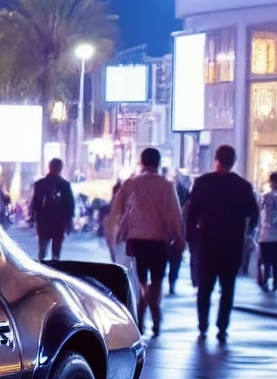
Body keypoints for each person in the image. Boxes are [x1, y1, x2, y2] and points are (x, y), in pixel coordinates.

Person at [103, 147, 185, 337]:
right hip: (159, 240)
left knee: (141, 279)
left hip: (136, 240)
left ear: (141, 162)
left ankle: (141, 313)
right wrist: (178, 237)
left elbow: (115, 212)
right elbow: (174, 214)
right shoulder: (166, 186)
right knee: (157, 279)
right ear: (158, 163)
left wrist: (112, 239)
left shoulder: (130, 184)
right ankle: (154, 311)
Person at [185, 143, 260, 342]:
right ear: (233, 162)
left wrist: (191, 239)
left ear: (216, 160)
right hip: (232, 243)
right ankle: (222, 327)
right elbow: (254, 214)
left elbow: (191, 215)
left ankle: (203, 326)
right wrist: (247, 234)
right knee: (228, 288)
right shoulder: (242, 186)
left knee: (205, 288)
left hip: (207, 243)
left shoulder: (203, 183)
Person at [29, 158, 75, 263]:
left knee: (43, 251)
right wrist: (69, 221)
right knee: (56, 252)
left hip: (44, 221)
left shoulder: (40, 184)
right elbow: (69, 205)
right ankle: (54, 267)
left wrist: (33, 217)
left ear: (49, 167)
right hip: (58, 222)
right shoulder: (65, 185)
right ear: (60, 168)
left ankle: (42, 268)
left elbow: (35, 203)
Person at [167, 169, 191, 297]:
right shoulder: (186, 194)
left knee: (168, 260)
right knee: (175, 260)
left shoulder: (167, 190)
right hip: (178, 231)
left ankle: (161, 283)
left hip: (164, 233)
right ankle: (172, 282)